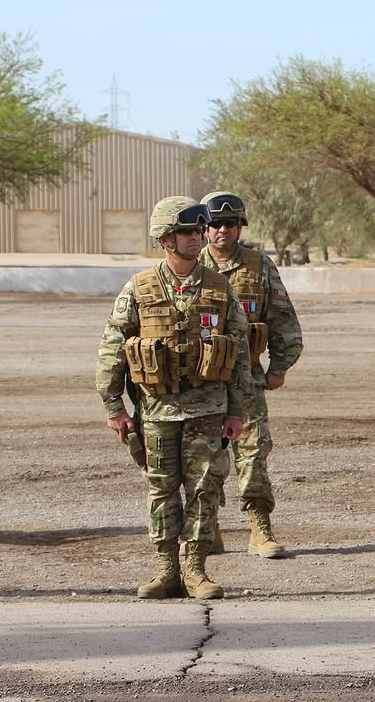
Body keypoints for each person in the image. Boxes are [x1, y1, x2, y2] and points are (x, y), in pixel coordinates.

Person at [96, 196, 252, 600]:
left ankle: (196, 570)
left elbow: (239, 353)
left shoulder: (220, 287)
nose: (197, 237)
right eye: (188, 231)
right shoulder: (139, 287)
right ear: (165, 238)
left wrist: (238, 411)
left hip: (209, 410)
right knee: (162, 489)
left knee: (204, 489)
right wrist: (114, 407)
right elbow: (113, 346)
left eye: (200, 230)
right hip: (157, 410)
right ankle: (166, 570)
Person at [198, 191, 304, 559]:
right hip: (199, 380)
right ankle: (206, 528)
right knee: (201, 456)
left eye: (230, 224)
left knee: (253, 452)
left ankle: (260, 527)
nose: (222, 231)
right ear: (203, 227)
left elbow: (283, 319)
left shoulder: (259, 266)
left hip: (245, 378)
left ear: (240, 226)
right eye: (214, 224)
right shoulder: (188, 266)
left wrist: (279, 366)